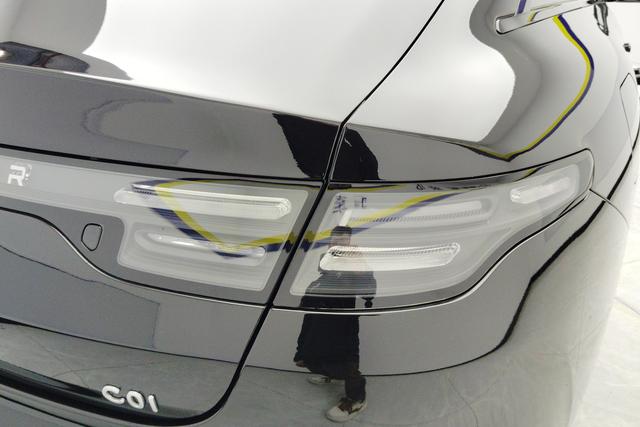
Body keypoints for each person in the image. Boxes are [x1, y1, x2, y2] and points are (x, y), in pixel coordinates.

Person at [294, 226, 376, 423]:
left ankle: (356, 399)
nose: (338, 243)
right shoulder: (326, 262)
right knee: (310, 354)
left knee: (346, 361)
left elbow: (368, 291)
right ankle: (328, 374)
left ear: (350, 243)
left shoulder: (355, 264)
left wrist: (360, 268)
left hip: (342, 322)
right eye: (334, 240)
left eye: (343, 240)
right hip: (320, 318)